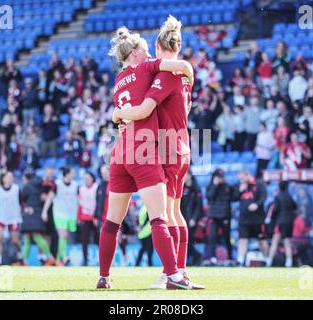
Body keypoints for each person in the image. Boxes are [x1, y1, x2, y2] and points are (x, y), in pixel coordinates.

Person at [97, 23, 201, 290]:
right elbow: (179, 69)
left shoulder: (119, 80)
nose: (148, 55)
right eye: (143, 49)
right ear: (134, 52)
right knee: (162, 216)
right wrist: (188, 70)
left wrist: (116, 114)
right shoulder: (148, 68)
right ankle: (174, 275)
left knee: (112, 220)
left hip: (121, 150)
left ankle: (104, 277)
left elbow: (127, 108)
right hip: (152, 148)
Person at [42, 167, 79, 266]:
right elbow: (49, 199)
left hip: (70, 214)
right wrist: (44, 212)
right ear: (67, 174)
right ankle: (63, 256)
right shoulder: (57, 184)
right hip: (59, 213)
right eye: (72, 172)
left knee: (64, 236)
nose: (74, 174)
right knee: (63, 235)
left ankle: (58, 259)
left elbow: (78, 200)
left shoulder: (75, 185)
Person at [234, 170, 268, 267]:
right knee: (242, 239)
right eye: (240, 178)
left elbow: (264, 197)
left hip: (258, 219)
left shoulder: (259, 184)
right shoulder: (241, 186)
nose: (241, 180)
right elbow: (234, 197)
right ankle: (240, 260)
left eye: (242, 178)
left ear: (248, 175)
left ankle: (266, 259)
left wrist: (256, 205)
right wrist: (240, 190)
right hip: (244, 219)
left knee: (262, 240)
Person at [21, 171, 55, 266]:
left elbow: (21, 200)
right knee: (37, 236)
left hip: (29, 214)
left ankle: (48, 257)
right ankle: (48, 257)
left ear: (27, 179)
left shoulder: (27, 187)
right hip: (38, 213)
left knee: (29, 238)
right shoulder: (41, 185)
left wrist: (25, 208)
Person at [204, 169, 233, 265]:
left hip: (225, 216)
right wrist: (215, 185)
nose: (220, 179)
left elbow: (233, 197)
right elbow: (209, 196)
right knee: (212, 237)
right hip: (214, 216)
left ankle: (230, 258)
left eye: (221, 177)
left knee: (227, 238)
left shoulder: (227, 187)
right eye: (218, 177)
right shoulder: (211, 186)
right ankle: (212, 258)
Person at [0, 171, 23, 265]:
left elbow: (22, 202)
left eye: (12, 177)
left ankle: (19, 254)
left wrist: (25, 209)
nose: (11, 179)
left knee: (15, 240)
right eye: (9, 177)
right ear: (3, 179)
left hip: (14, 218)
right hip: (1, 217)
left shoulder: (16, 189)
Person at [267, 181, 297, 268]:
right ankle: (289, 262)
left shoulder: (278, 196)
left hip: (281, 222)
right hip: (289, 222)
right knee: (287, 241)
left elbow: (275, 210)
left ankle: (269, 261)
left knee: (275, 241)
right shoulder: (289, 197)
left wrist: (272, 220)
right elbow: (295, 206)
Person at [180, 170, 204, 265]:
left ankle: (196, 256)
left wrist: (194, 218)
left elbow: (199, 206)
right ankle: (194, 258)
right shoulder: (182, 188)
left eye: (186, 174)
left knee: (187, 240)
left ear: (189, 175)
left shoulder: (196, 189)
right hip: (182, 217)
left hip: (191, 220)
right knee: (184, 240)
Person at [78, 171, 98, 266]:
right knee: (84, 240)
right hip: (85, 217)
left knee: (99, 239)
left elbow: (99, 202)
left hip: (95, 217)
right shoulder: (81, 189)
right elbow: (79, 204)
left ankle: (101, 260)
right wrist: (79, 217)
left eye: (88, 178)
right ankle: (85, 260)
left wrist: (96, 216)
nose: (86, 180)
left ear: (92, 178)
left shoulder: (96, 187)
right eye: (84, 178)